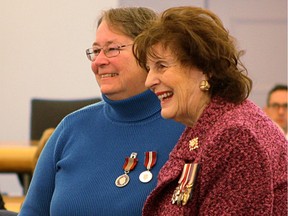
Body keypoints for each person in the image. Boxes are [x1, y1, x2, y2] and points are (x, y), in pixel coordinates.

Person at [19, 7, 185, 216]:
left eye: (112, 49)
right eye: (96, 51)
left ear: (150, 53)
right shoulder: (70, 128)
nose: (98, 62)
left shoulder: (186, 127)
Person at [133, 6, 288, 215]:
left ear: (205, 69)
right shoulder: (213, 124)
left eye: (161, 66)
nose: (149, 80)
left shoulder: (236, 136)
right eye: (149, 68)